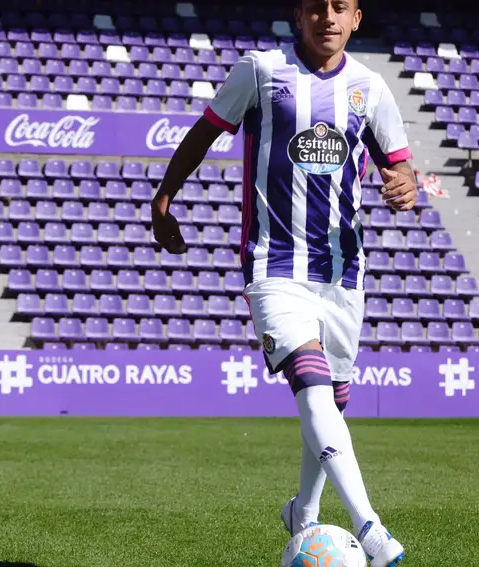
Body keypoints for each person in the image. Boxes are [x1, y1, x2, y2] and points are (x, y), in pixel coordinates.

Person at [150, 0, 413, 565]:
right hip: (272, 263)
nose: (327, 16)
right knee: (313, 388)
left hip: (342, 270)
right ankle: (369, 527)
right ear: (299, 15)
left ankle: (304, 512)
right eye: (316, 7)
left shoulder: (370, 88)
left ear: (357, 18)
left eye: (339, 7)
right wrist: (165, 195)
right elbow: (205, 132)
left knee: (331, 402)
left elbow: (399, 163)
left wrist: (406, 186)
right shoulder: (261, 71)